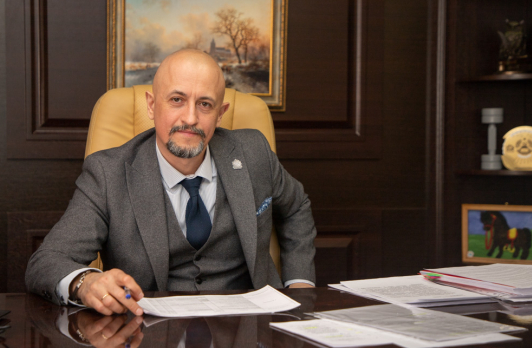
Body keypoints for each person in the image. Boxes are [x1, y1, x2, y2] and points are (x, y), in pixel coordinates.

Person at [25, 49, 316, 316]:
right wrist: (85, 283)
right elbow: (47, 261)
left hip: (252, 330)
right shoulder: (108, 174)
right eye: (177, 100)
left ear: (220, 114)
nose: (190, 118)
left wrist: (300, 284)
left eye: (205, 104)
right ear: (152, 105)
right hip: (147, 338)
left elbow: (296, 207)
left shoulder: (254, 154)